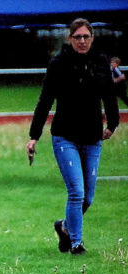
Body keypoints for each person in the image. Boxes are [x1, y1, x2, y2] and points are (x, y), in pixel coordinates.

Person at [27, 18, 119, 256]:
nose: (82, 41)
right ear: (70, 39)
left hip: (92, 136)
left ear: (92, 38)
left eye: (86, 36)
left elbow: (110, 94)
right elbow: (45, 100)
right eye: (77, 37)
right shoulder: (58, 64)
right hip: (64, 136)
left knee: (88, 196)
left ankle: (65, 227)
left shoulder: (100, 62)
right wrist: (34, 136)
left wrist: (113, 122)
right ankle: (76, 243)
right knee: (76, 192)